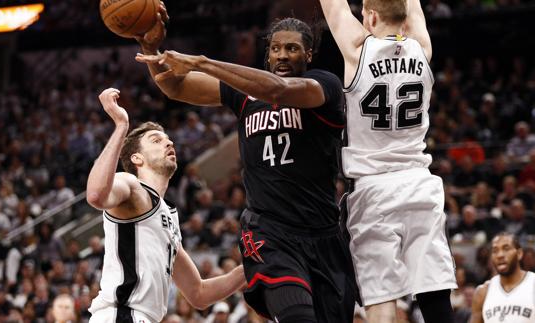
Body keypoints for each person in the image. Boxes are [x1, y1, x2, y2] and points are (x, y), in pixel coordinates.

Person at [135, 13, 358, 322]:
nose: (282, 55)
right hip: (270, 234)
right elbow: (174, 87)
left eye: (292, 49)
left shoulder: (325, 85)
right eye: (276, 48)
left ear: (308, 54)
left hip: (323, 234)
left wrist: (202, 62)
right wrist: (146, 42)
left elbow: (278, 89)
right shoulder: (246, 92)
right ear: (267, 53)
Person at [319, 0, 456, 322]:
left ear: (371, 16)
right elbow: (413, 11)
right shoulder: (422, 48)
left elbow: (334, 7)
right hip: (419, 181)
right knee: (434, 288)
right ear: (405, 17)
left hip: (373, 188)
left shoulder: (357, 49)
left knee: (383, 297)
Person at [86, 88, 246, 323]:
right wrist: (121, 126)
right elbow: (96, 195)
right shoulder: (131, 185)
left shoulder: (168, 217)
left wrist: (252, 267)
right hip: (121, 314)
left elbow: (199, 293)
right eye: (156, 140)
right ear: (137, 158)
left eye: (168, 140)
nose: (168, 143)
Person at [470, 233, 535, 323]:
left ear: (519, 254)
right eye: (495, 251)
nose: (500, 255)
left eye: (506, 249)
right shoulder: (482, 292)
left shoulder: (532, 284)